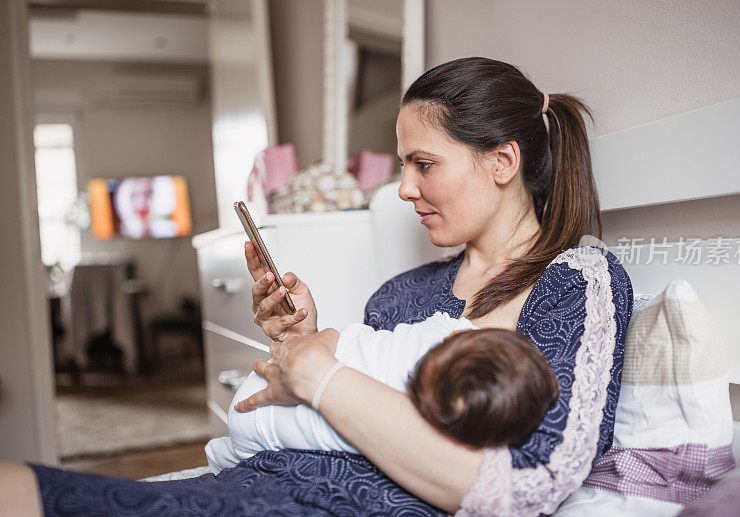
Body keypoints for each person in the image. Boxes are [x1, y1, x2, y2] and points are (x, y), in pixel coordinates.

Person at [0, 57, 633, 516]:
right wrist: (301, 343)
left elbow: (530, 485)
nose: (404, 188)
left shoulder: (574, 284)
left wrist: (318, 376)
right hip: (261, 480)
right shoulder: (403, 296)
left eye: (424, 164)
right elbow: (352, 400)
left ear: (503, 161)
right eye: (404, 164)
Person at [205, 312, 560, 473]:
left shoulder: (447, 332)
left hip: (263, 402)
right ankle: (226, 456)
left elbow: (347, 339)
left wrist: (316, 345)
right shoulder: (433, 403)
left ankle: (227, 456)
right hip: (265, 411)